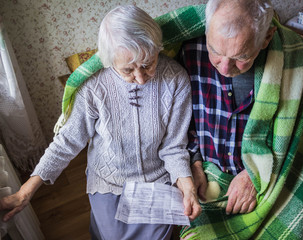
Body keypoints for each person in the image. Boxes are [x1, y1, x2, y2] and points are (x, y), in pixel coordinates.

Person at [0, 5, 201, 240]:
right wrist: (25, 192)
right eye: (128, 70)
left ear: (158, 48)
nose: (140, 79)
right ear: (109, 60)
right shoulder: (94, 87)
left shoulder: (176, 79)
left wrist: (187, 186)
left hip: (156, 180)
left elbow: (174, 147)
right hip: (109, 182)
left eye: (148, 64)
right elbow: (67, 142)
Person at [179, 0, 303, 239]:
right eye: (216, 52)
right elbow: (181, 118)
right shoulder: (189, 50)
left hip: (266, 175)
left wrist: (253, 175)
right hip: (206, 172)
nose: (224, 67)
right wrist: (194, 162)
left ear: (266, 38)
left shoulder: (293, 59)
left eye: (241, 56)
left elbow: (292, 131)